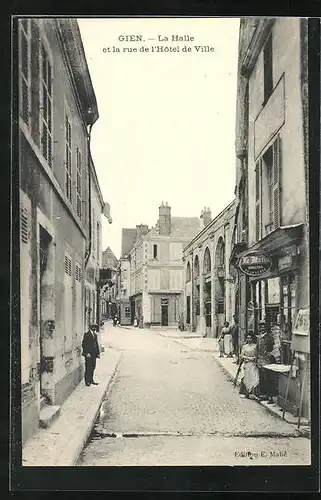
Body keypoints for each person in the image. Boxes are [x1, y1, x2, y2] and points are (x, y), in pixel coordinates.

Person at [256, 320, 276, 404]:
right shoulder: (259, 337)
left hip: (267, 361)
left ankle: (270, 396)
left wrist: (269, 354)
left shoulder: (269, 337)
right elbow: (257, 349)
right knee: (262, 378)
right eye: (261, 326)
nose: (262, 328)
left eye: (264, 326)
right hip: (260, 360)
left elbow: (275, 348)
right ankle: (264, 395)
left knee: (268, 378)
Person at [239, 331, 260, 399]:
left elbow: (256, 356)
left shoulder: (255, 346)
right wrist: (249, 358)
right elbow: (242, 356)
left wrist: (253, 359)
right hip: (246, 364)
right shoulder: (244, 347)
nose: (249, 339)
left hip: (253, 365)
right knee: (246, 378)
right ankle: (246, 393)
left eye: (250, 338)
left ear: (252, 338)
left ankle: (253, 393)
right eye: (247, 338)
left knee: (254, 378)